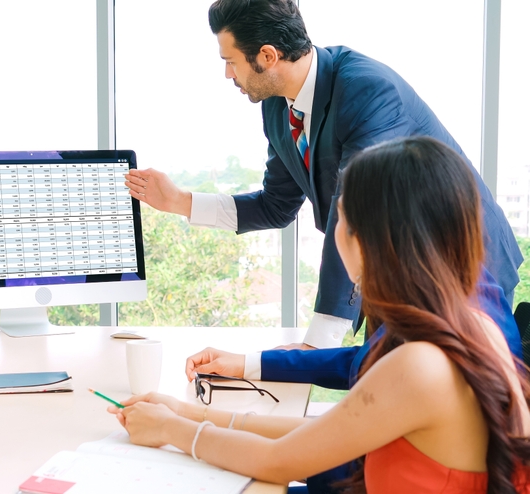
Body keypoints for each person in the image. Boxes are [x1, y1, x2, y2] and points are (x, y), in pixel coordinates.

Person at [110, 136, 530, 492]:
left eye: (340, 220)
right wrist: (185, 412)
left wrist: (172, 431)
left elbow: (280, 461)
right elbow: (327, 431)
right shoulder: (467, 327)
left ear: (374, 241)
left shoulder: (420, 365)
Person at [124, 0, 522, 354]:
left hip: (461, 266)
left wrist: (320, 338)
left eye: (230, 61)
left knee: (453, 415)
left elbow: (356, 209)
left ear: (266, 55)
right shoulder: (278, 108)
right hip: (395, 272)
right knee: (379, 393)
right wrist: (179, 202)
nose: (228, 75)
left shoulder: (365, 89)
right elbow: (275, 206)